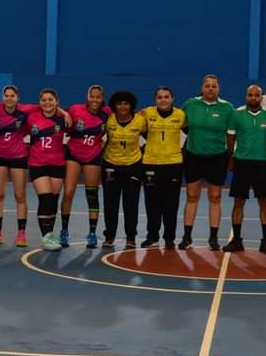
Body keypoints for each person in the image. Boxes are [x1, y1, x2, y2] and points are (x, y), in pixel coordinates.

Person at [180, 75, 234, 250]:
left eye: (214, 86)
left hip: (217, 157)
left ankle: (213, 238)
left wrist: (231, 157)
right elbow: (181, 124)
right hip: (193, 156)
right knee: (192, 196)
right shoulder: (190, 104)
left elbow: (231, 134)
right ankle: (187, 237)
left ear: (218, 89)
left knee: (215, 197)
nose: (211, 89)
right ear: (202, 88)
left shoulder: (227, 108)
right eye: (207, 86)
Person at [0, 86, 38, 246]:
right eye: (6, 95)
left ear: (18, 98)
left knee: (20, 196)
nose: (9, 98)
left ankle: (21, 233)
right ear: (2, 97)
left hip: (18, 157)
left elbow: (47, 106)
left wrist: (65, 113)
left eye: (12, 96)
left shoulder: (26, 110)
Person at [224, 85, 266, 254]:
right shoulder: (236, 113)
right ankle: (236, 241)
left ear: (261, 97)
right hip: (242, 163)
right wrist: (231, 159)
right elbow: (230, 138)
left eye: (256, 95)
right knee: (239, 201)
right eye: (250, 95)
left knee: (264, 202)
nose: (253, 98)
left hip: (262, 163)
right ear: (246, 96)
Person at [141, 87, 186, 249]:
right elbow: (138, 130)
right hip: (150, 163)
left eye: (166, 97)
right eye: (160, 97)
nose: (163, 100)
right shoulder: (146, 113)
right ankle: (152, 236)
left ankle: (169, 238)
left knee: (171, 204)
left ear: (172, 98)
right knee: (152, 204)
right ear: (155, 99)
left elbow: (190, 132)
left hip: (173, 164)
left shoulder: (181, 115)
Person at [62, 85, 108, 249]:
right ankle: (64, 230)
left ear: (102, 99)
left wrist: (104, 143)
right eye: (92, 96)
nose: (95, 100)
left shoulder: (107, 113)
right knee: (68, 191)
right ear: (87, 97)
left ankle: (92, 233)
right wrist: (65, 113)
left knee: (92, 193)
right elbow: (57, 110)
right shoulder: (75, 109)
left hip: (93, 156)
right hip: (73, 154)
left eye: (98, 97)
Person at [102, 90, 146, 249]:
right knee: (110, 203)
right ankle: (109, 236)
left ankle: (131, 237)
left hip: (133, 165)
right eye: (119, 103)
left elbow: (150, 138)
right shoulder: (109, 119)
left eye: (126, 103)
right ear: (114, 105)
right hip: (110, 165)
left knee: (131, 204)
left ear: (131, 105)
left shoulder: (140, 120)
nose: (123, 106)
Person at [27, 88, 70, 250]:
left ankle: (50, 235)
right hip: (38, 163)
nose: (47, 102)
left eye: (50, 99)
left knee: (53, 200)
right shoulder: (31, 117)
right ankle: (45, 237)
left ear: (56, 101)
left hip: (57, 164)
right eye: (44, 100)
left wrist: (65, 114)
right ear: (39, 102)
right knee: (45, 197)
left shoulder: (63, 119)